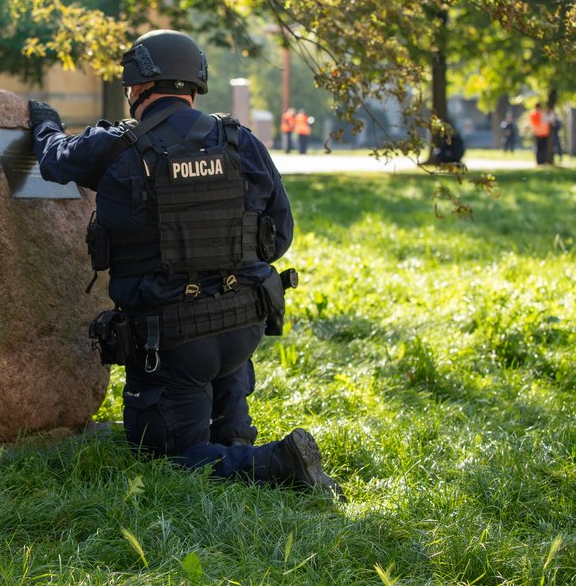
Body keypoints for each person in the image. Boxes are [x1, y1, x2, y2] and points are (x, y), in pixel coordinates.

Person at [28, 29, 343, 498]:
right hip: (244, 324)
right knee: (219, 363)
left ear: (138, 88)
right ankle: (234, 434)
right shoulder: (239, 140)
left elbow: (54, 161)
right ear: (194, 84)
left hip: (172, 339)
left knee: (169, 456)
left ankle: (279, 464)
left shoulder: (116, 145)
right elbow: (279, 237)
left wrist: (44, 122)